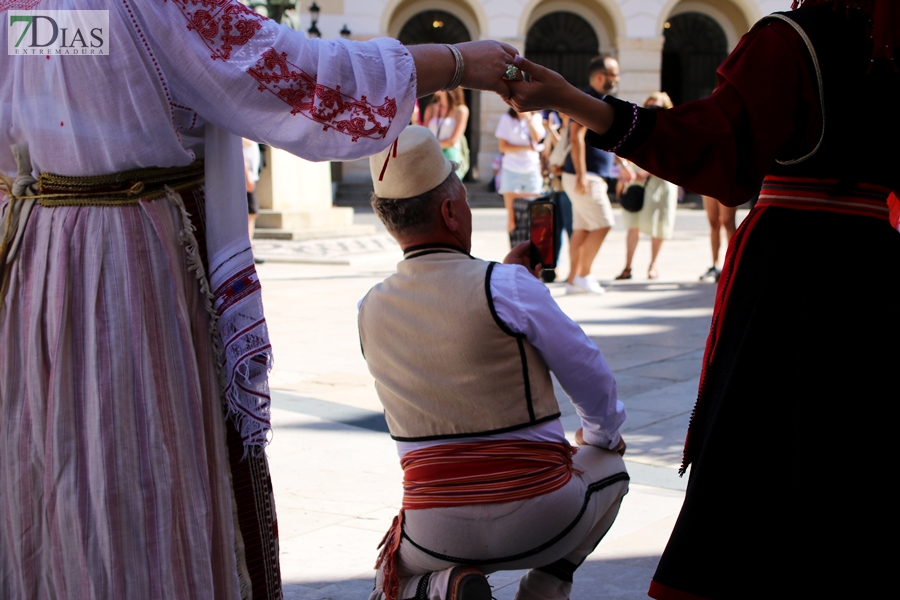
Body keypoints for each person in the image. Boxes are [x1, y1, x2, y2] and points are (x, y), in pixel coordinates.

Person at [0, 2, 519, 598]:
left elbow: (67, 63)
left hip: (38, 258)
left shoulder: (32, 13)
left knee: (58, 456)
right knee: (138, 461)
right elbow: (301, 75)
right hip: (127, 259)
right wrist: (460, 62)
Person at [505, 0, 900, 597]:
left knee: (764, 442)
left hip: (792, 275)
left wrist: (568, 97)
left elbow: (709, 147)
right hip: (876, 266)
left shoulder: (793, 38)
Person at [360, 126, 628, 600]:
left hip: (435, 532)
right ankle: (545, 586)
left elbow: (447, 323)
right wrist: (600, 436)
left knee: (394, 579)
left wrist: (506, 278)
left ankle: (444, 585)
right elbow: (588, 372)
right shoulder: (507, 287)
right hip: (542, 520)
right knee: (611, 464)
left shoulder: (370, 309)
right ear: (449, 211)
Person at [561, 55, 619, 295]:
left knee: (583, 228)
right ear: (599, 76)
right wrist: (582, 175)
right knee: (605, 223)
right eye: (613, 75)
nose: (616, 80)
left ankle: (574, 280)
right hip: (584, 175)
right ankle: (584, 274)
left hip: (587, 174)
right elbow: (575, 136)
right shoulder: (587, 100)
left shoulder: (599, 100)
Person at [615, 93, 679, 281]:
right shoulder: (637, 125)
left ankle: (653, 266)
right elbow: (620, 148)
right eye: (649, 106)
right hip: (637, 180)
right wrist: (625, 169)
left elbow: (672, 157)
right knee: (632, 225)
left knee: (658, 226)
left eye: (657, 107)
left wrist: (646, 171)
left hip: (659, 182)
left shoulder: (672, 128)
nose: (653, 110)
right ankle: (627, 267)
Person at [495, 108, 546, 239]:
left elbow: (538, 138)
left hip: (531, 168)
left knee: (535, 213)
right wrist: (524, 147)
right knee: (512, 218)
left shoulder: (536, 118)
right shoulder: (506, 119)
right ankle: (515, 250)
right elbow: (502, 147)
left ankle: (533, 249)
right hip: (511, 168)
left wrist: (528, 119)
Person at [424, 88, 470, 180]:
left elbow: (452, 141)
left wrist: (431, 145)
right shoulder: (431, 108)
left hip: (451, 155)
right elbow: (424, 134)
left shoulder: (461, 110)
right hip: (432, 154)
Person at [698, 194, 737, 282]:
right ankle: (715, 265)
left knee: (728, 222)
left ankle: (732, 264)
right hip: (710, 182)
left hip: (728, 183)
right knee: (713, 223)